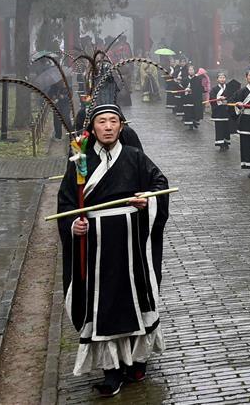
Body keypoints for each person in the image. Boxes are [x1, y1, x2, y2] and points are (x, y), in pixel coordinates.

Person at [57, 103, 169, 395]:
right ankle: (111, 369)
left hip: (131, 244)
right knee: (104, 304)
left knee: (135, 298)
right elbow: (66, 203)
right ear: (92, 128)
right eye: (102, 122)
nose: (107, 127)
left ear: (122, 126)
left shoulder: (134, 157)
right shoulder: (78, 163)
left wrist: (147, 200)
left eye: (113, 122)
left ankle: (137, 360)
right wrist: (73, 225)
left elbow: (160, 185)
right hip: (97, 249)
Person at [208, 71, 233, 150]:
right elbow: (211, 98)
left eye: (223, 78)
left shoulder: (229, 88)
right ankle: (220, 143)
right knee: (219, 128)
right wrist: (218, 99)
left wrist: (227, 101)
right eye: (220, 78)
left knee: (227, 128)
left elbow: (232, 97)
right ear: (217, 79)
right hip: (218, 111)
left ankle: (226, 142)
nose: (222, 79)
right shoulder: (214, 89)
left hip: (226, 111)